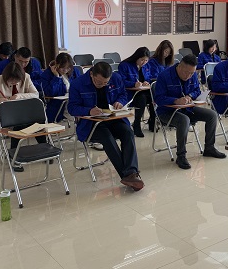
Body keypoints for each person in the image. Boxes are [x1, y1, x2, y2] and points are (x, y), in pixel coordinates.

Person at [67, 62, 144, 191]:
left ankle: (130, 173)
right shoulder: (78, 83)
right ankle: (129, 175)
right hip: (91, 124)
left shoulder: (116, 78)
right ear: (91, 74)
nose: (102, 85)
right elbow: (72, 108)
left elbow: (123, 94)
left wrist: (120, 102)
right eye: (99, 82)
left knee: (128, 132)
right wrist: (88, 111)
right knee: (106, 137)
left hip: (113, 118)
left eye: (106, 83)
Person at [154, 54, 226, 169]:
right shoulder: (164, 76)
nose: (189, 76)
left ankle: (209, 148)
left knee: (212, 115)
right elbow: (158, 99)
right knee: (184, 120)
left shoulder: (192, 75)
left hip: (187, 108)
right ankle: (181, 155)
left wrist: (190, 96)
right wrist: (175, 100)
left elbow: (197, 90)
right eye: (186, 72)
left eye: (192, 73)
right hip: (167, 112)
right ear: (180, 66)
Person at [0, 62, 42, 171]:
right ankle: (15, 158)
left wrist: (19, 96)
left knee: (38, 122)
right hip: (5, 117)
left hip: (24, 114)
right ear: (6, 77)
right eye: (11, 80)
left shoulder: (26, 77)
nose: (15, 82)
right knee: (19, 125)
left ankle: (44, 149)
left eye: (17, 80)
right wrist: (0, 100)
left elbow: (35, 94)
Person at [117, 47, 155, 137]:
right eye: (142, 60)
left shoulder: (146, 66)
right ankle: (137, 124)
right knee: (141, 98)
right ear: (136, 57)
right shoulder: (125, 65)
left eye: (146, 60)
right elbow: (121, 81)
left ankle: (153, 121)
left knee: (154, 97)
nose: (144, 62)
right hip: (130, 93)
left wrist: (147, 82)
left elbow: (149, 77)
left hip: (143, 91)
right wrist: (133, 84)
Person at [40, 52, 80, 123]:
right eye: (62, 68)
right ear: (56, 64)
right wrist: (56, 77)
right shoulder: (47, 74)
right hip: (56, 106)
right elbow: (50, 93)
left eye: (68, 68)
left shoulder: (74, 71)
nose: (65, 70)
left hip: (73, 103)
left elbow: (80, 86)